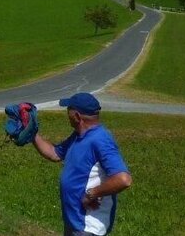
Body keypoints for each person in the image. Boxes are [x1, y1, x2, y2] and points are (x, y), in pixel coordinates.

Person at [32, 93, 133, 236]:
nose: (67, 113)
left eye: (69, 110)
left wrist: (92, 194)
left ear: (77, 116)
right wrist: (33, 135)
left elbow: (124, 179)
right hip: (75, 222)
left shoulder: (100, 140)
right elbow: (54, 153)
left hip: (88, 226)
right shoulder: (78, 136)